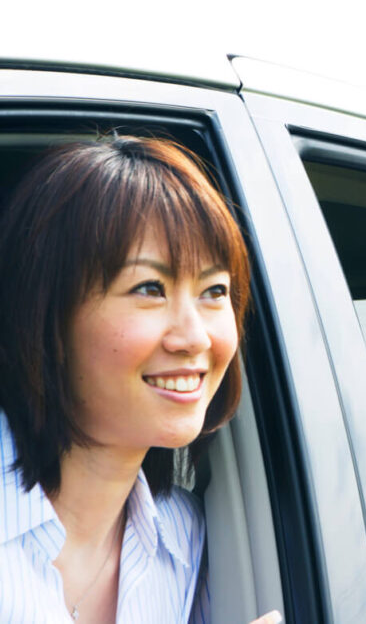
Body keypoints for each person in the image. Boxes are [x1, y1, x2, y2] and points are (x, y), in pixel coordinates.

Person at [0, 137, 278, 623]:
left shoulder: (185, 539)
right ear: (46, 316)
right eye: (149, 288)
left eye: (214, 291)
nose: (195, 338)